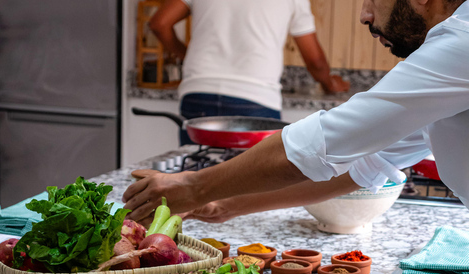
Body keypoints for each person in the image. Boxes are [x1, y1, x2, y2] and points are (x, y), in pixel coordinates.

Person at [124, 0, 469, 227]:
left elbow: (317, 145)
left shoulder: (462, 43)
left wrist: (192, 185)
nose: (364, 14)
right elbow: (364, 165)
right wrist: (223, 204)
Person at [149, 0, 350, 145]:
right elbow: (315, 62)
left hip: (199, 92)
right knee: (250, 189)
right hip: (256, 100)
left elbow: (159, 23)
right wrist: (328, 83)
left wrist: (187, 57)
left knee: (193, 180)